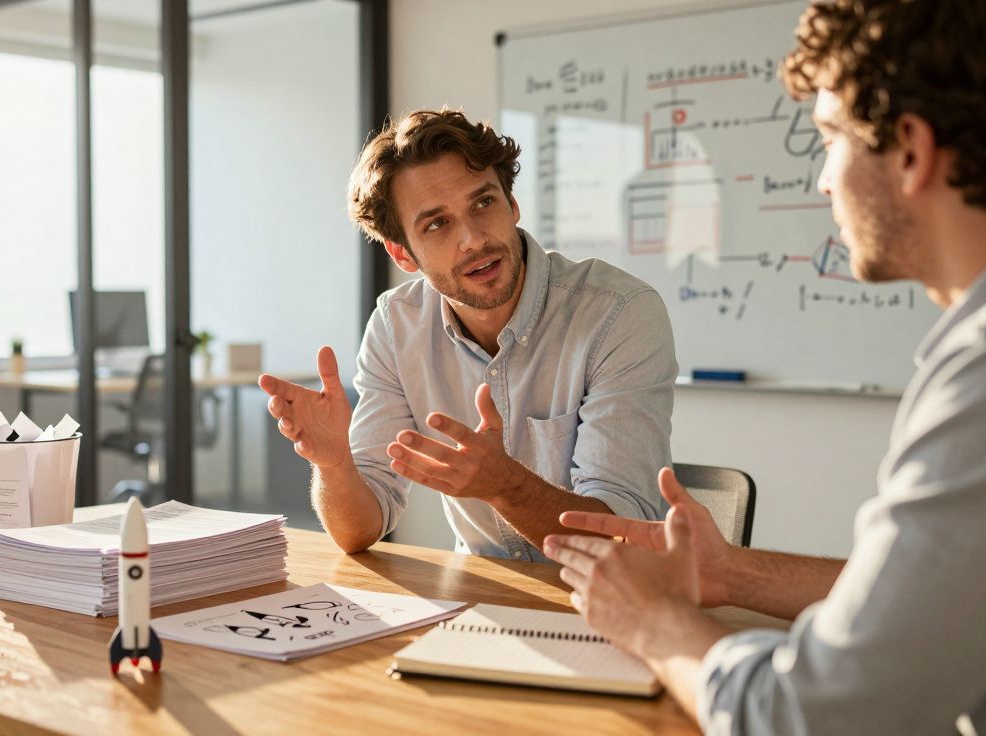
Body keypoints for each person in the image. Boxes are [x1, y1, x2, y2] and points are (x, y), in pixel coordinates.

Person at [542, 1, 986, 732]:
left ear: (911, 150)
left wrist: (653, 622)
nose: (824, 182)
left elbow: (812, 718)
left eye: (830, 138)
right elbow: (936, 602)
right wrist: (726, 574)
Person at [260, 109, 678, 561]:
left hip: (620, 600)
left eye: (483, 203)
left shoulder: (619, 314)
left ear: (512, 205)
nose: (473, 240)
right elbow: (357, 531)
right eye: (437, 223)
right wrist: (335, 463)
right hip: (484, 601)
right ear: (402, 253)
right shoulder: (396, 325)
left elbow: (619, 537)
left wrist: (505, 486)